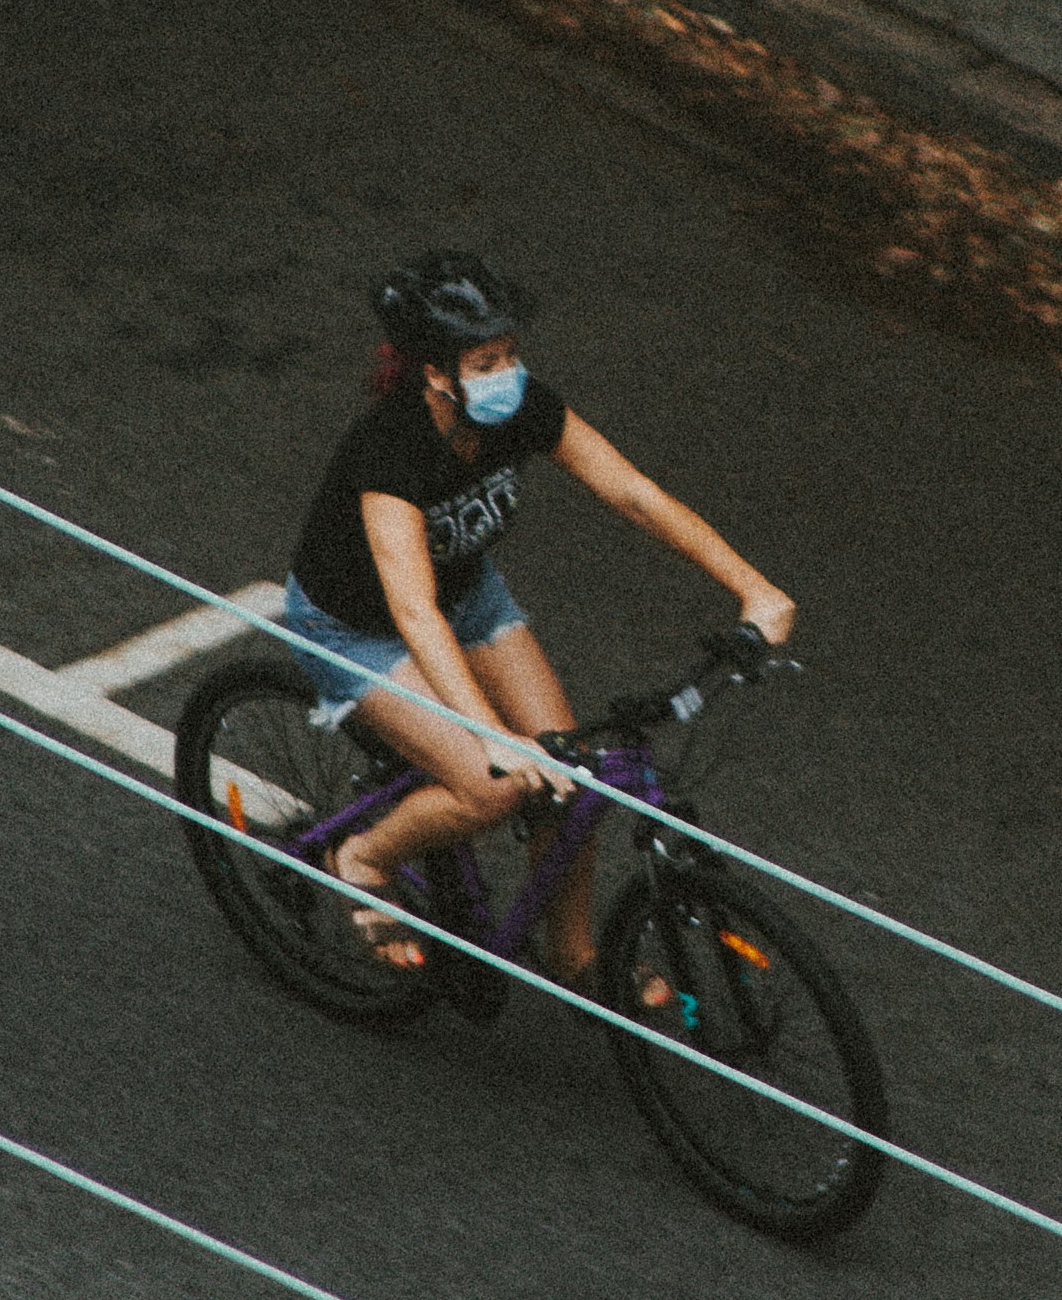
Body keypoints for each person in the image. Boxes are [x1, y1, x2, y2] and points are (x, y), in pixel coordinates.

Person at [277, 249, 793, 1013]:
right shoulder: (387, 449)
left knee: (570, 775)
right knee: (497, 788)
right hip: (356, 629)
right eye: (486, 360)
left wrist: (754, 588)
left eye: (511, 354)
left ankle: (573, 954)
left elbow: (633, 494)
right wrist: (491, 736)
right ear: (435, 373)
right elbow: (413, 612)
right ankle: (362, 857)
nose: (507, 373)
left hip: (471, 600)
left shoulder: (520, 410)